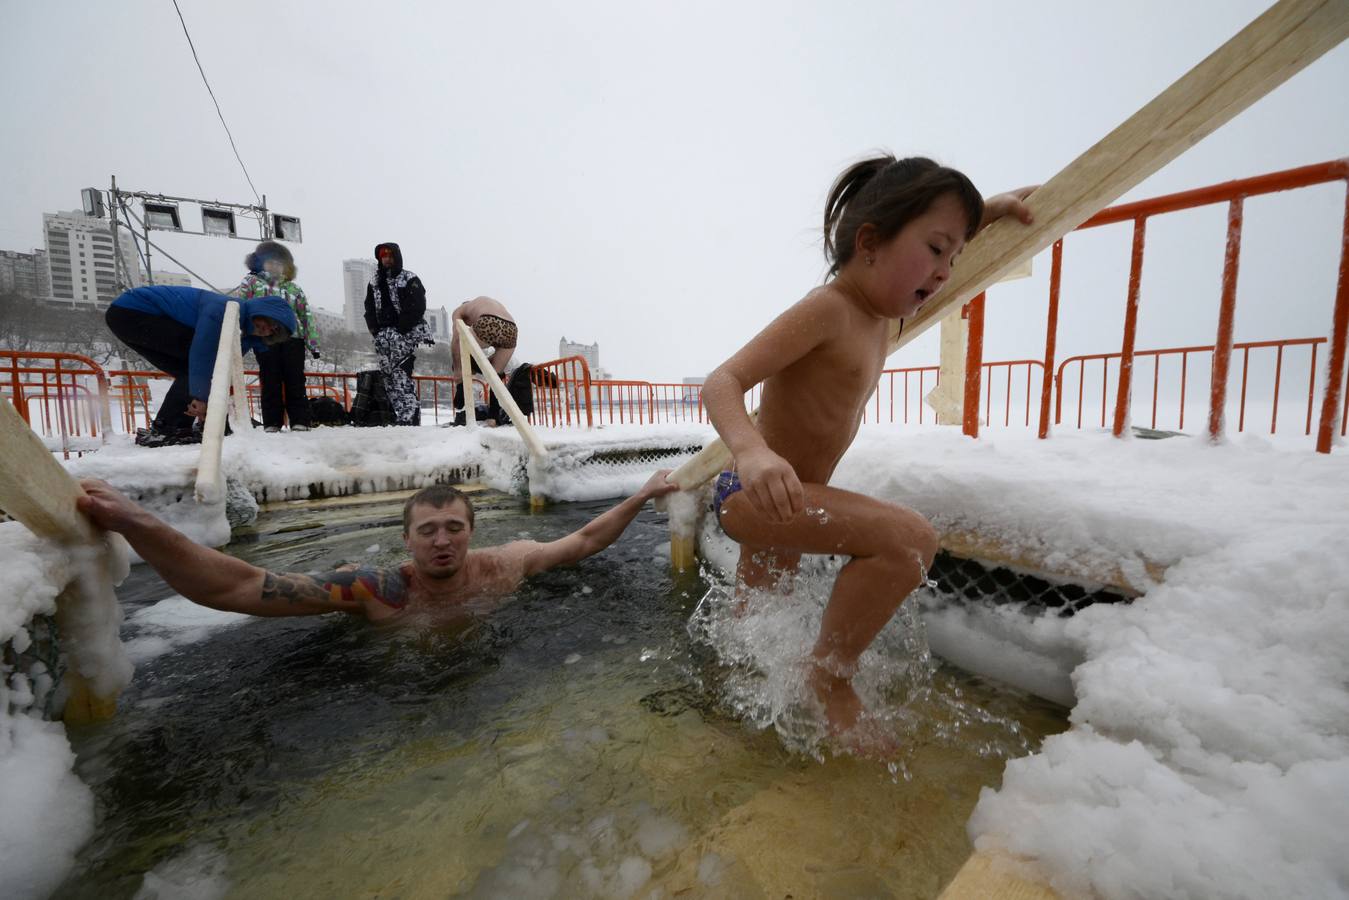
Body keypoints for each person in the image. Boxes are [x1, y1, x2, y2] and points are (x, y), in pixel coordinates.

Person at [700, 155, 1034, 743]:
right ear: (870, 242)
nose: (944, 272)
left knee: (751, 634)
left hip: (792, 500)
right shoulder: (830, 309)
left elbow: (929, 260)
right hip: (756, 490)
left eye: (954, 257)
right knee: (910, 542)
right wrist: (753, 453)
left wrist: (990, 209)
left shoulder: (887, 312)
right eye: (936, 250)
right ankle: (828, 680)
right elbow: (721, 382)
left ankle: (735, 729)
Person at [76, 470, 679, 625]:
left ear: (472, 531)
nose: (442, 541)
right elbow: (235, 586)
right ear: (406, 538)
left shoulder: (506, 565)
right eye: (427, 531)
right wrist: (138, 522)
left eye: (453, 528)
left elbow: (583, 541)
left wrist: (641, 493)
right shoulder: (375, 587)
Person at [105, 285, 297, 447]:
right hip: (134, 311)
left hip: (124, 317)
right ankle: (171, 427)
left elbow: (223, 367)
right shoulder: (225, 309)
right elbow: (203, 354)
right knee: (198, 365)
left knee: (189, 372)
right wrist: (201, 396)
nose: (268, 329)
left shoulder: (241, 331)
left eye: (275, 331)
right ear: (262, 310)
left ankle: (176, 426)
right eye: (271, 322)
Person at [233, 241, 320, 433]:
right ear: (260, 263)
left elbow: (305, 315)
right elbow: (242, 307)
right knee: (270, 378)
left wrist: (313, 344)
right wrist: (244, 332)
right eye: (270, 262)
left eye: (279, 263)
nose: (275, 266)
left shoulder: (294, 289)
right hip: (265, 337)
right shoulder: (252, 282)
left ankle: (300, 420)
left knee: (295, 379)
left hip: (293, 338)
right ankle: (272, 422)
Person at [363, 242, 432, 426]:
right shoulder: (375, 282)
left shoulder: (409, 279)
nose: (386, 259)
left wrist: (401, 329)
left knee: (400, 372)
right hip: (383, 335)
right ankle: (400, 414)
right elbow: (369, 307)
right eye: (383, 256)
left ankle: (409, 415)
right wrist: (375, 330)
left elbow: (417, 306)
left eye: (390, 255)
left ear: (396, 257)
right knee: (388, 376)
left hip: (404, 333)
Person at [451, 295, 518, 377]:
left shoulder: (460, 310)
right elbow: (498, 332)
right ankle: (493, 384)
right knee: (495, 376)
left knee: (460, 346)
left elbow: (456, 339)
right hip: (511, 330)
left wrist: (458, 369)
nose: (469, 325)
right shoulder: (484, 304)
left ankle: (461, 385)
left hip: (488, 320)